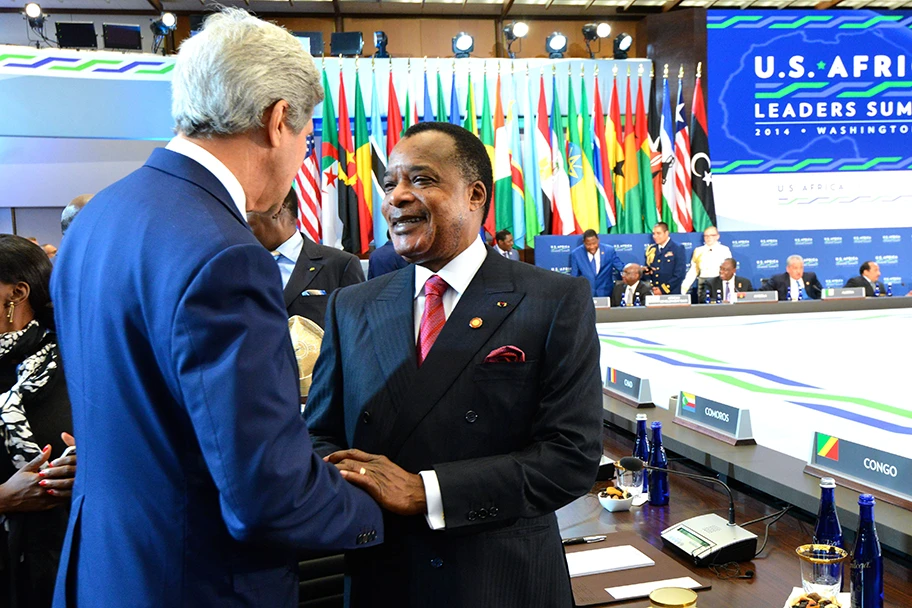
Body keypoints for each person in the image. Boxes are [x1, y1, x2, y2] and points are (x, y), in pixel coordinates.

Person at [50, 10, 382, 607]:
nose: (304, 156)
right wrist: (385, 509)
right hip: (195, 581)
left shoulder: (98, 217)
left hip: (105, 569)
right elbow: (265, 494)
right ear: (278, 118)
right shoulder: (225, 254)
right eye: (307, 137)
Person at [304, 122, 603, 608]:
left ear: (475, 195)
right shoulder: (350, 305)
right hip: (383, 573)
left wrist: (425, 491)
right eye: (389, 184)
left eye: (420, 180)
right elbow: (319, 435)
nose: (396, 197)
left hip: (502, 580)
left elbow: (570, 458)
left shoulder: (554, 300)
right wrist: (354, 487)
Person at [0, 235, 76, 608]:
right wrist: (3, 499)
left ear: (16, 293)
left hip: (63, 564)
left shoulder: (75, 359)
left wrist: (86, 461)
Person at [248, 187, 364, 328]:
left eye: (246, 211)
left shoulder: (340, 265)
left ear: (276, 209)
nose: (238, 221)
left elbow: (357, 329)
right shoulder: (238, 266)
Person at [569, 228, 625, 297]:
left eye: (594, 243)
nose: (592, 247)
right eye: (588, 244)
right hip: (586, 294)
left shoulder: (609, 251)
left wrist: (636, 270)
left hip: (606, 293)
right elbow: (574, 276)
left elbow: (620, 267)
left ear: (598, 240)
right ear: (584, 242)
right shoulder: (576, 254)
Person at [680, 226, 731, 295]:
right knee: (702, 304)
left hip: (719, 283)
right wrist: (684, 289)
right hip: (703, 283)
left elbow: (729, 270)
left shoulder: (724, 250)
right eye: (706, 236)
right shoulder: (698, 251)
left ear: (717, 236)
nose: (708, 238)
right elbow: (693, 271)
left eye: (712, 235)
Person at [643, 222, 685, 295]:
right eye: (654, 233)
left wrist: (663, 290)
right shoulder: (651, 249)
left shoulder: (677, 248)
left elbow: (679, 274)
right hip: (654, 292)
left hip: (671, 293)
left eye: (658, 233)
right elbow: (648, 271)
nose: (655, 236)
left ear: (666, 233)